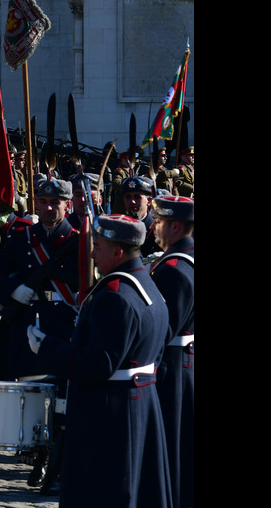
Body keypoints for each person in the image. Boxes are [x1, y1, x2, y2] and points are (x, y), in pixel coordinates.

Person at [28, 214, 172, 507]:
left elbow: (98, 363)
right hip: (139, 404)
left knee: (101, 492)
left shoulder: (114, 296)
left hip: (107, 414)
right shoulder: (147, 284)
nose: (92, 253)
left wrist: (46, 348)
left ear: (117, 252)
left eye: (98, 246)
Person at [0, 178, 80, 493]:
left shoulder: (79, 240)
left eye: (56, 202)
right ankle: (38, 459)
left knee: (60, 399)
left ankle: (58, 461)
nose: (49, 208)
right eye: (43, 202)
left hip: (64, 323)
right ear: (35, 203)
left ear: (67, 205)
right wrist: (14, 289)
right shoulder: (23, 238)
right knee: (33, 394)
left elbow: (84, 280)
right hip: (29, 321)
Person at [149, 195, 194, 508]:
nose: (154, 227)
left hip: (172, 367)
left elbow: (164, 330)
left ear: (175, 226)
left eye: (160, 222)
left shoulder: (173, 270)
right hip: (185, 363)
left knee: (173, 444)